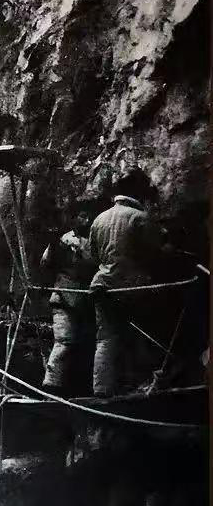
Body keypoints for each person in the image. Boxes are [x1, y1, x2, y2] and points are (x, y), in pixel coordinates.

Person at [88, 170, 157, 396]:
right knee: (139, 334)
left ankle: (102, 389)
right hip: (131, 286)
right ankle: (136, 385)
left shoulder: (99, 219)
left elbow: (94, 255)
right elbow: (154, 253)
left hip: (101, 284)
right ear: (138, 191)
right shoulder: (140, 217)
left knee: (106, 338)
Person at [40, 213, 95, 395]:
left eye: (86, 217)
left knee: (82, 344)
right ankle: (51, 387)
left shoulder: (90, 241)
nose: (85, 220)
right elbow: (45, 263)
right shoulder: (62, 241)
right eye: (81, 216)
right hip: (65, 298)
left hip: (82, 299)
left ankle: (75, 389)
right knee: (64, 341)